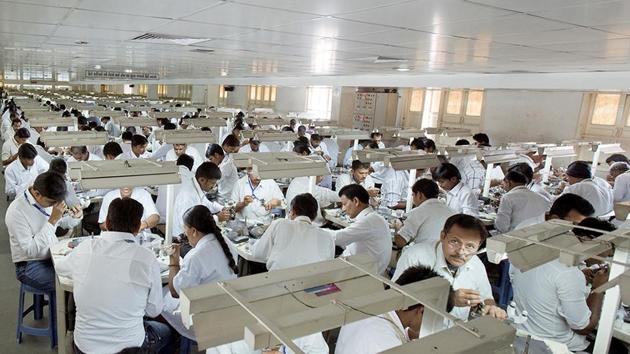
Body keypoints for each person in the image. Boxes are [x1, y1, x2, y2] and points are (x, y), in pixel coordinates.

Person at [55, 198, 171, 353]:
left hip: (86, 347)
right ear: (138, 227)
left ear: (107, 223)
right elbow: (153, 310)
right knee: (165, 332)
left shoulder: (85, 249)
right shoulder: (147, 259)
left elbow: (61, 268)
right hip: (129, 348)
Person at [393, 214, 506, 322]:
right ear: (442, 236)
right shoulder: (415, 256)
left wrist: (491, 308)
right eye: (454, 241)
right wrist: (448, 299)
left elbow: (487, 298)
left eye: (470, 246)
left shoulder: (476, 265)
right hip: (416, 334)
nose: (461, 252)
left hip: (457, 332)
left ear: (478, 246)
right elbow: (396, 298)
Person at [510, 229, 608, 352]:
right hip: (552, 344)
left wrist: (579, 278)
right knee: (613, 347)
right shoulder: (568, 274)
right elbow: (583, 327)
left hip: (522, 333)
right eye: (607, 252)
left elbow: (547, 283)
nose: (605, 257)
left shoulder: (528, 259)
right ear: (587, 241)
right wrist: (598, 288)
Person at [163, 205, 237, 340]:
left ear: (194, 231)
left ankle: (171, 339)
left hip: (204, 317)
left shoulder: (195, 256)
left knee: (161, 296)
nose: (184, 234)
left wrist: (174, 260)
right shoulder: (226, 243)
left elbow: (175, 292)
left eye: (185, 229)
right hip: (225, 305)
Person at [335, 266, 447, 354]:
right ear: (421, 311)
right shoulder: (388, 344)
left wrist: (409, 334)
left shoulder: (373, 305)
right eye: (435, 318)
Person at [6, 172, 82, 292]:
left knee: (82, 277)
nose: (54, 205)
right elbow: (30, 250)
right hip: (29, 265)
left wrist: (75, 217)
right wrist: (52, 220)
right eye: (52, 202)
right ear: (37, 194)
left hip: (52, 256)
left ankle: (68, 309)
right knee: (67, 286)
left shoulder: (46, 198)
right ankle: (63, 309)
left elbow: (60, 223)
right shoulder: (16, 212)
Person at [252, 193, 335, 271]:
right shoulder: (327, 236)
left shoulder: (280, 223)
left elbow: (258, 253)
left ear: (293, 211)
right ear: (315, 216)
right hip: (314, 283)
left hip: (279, 281)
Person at [326, 185, 391, 274]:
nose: (343, 209)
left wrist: (312, 230)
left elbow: (338, 238)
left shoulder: (369, 221)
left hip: (363, 271)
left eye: (345, 204)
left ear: (356, 201)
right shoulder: (374, 217)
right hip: (362, 266)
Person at [393, 179, 455, 248]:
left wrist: (397, 228)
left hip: (423, 255)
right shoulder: (453, 212)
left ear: (419, 195)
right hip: (446, 254)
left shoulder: (418, 212)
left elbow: (400, 242)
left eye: (413, 195)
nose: (413, 199)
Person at [173, 162, 230, 236]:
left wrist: (222, 208)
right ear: (202, 180)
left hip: (193, 234)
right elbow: (190, 224)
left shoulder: (197, 187)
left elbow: (207, 204)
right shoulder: (188, 196)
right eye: (212, 183)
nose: (214, 186)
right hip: (183, 237)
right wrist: (217, 218)